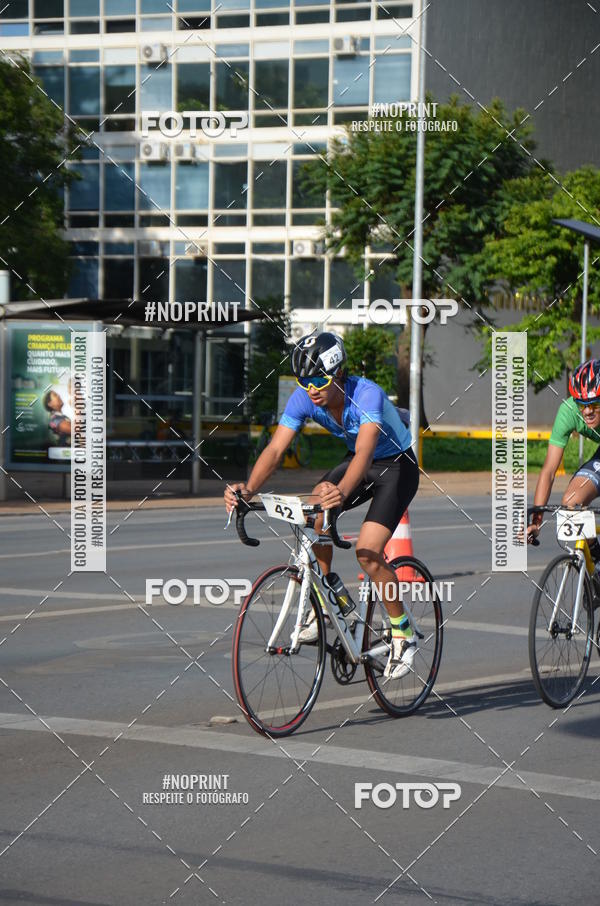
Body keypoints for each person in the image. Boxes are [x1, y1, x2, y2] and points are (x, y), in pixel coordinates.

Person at [224, 331, 420, 679]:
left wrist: (341, 493)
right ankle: (330, 600)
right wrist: (248, 490)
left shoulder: (367, 395)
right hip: (360, 461)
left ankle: (403, 632)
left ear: (339, 373)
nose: (311, 389)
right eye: (304, 381)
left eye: (319, 380)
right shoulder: (304, 398)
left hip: (396, 467)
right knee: (315, 511)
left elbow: (365, 453)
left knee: (367, 552)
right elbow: (275, 449)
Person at [528, 359, 600, 546]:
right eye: (582, 404)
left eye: (595, 404)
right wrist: (536, 521)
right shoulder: (568, 411)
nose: (587, 411)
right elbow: (549, 471)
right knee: (571, 502)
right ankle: (594, 556)